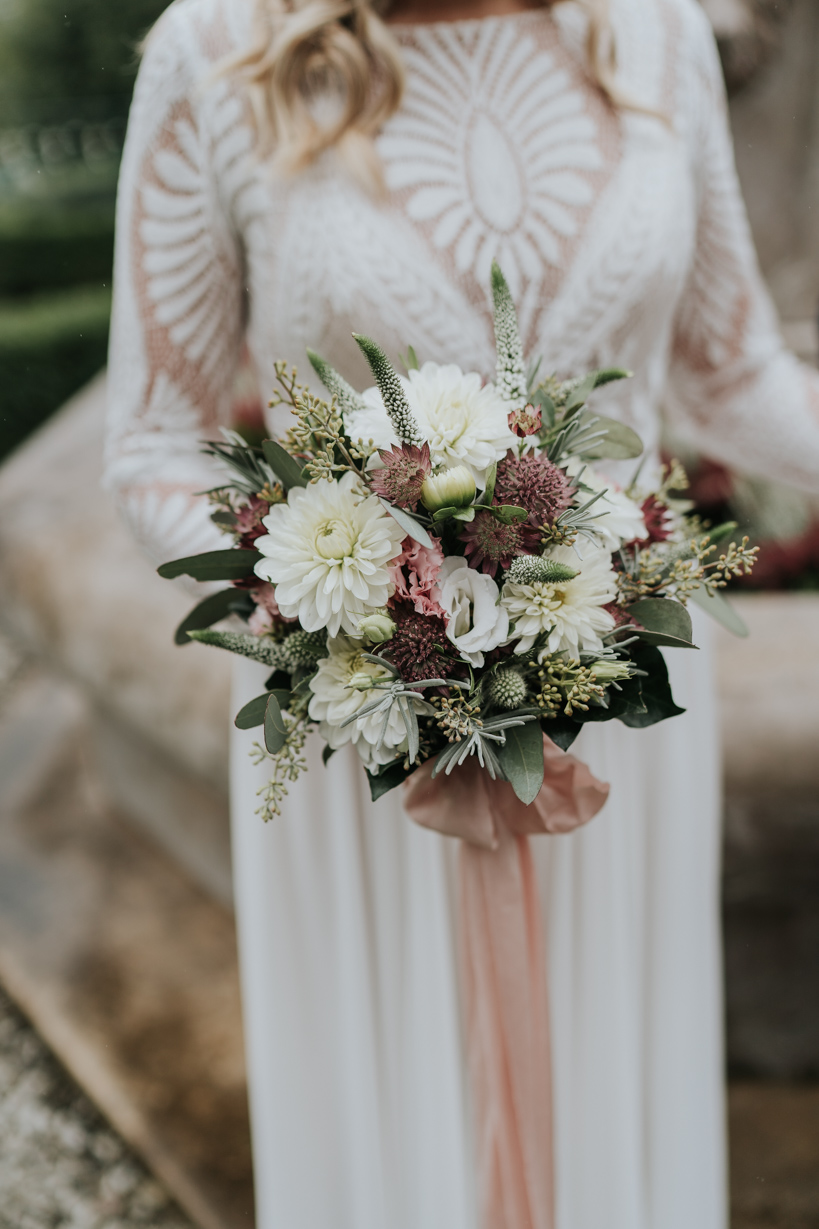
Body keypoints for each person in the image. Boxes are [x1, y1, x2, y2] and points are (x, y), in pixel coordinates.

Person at [104, 0, 819, 1223]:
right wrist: (350, 619)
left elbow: (729, 365)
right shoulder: (215, 48)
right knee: (397, 1128)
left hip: (618, 700)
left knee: (620, 1103)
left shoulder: (659, 34)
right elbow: (155, 447)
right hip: (359, 720)